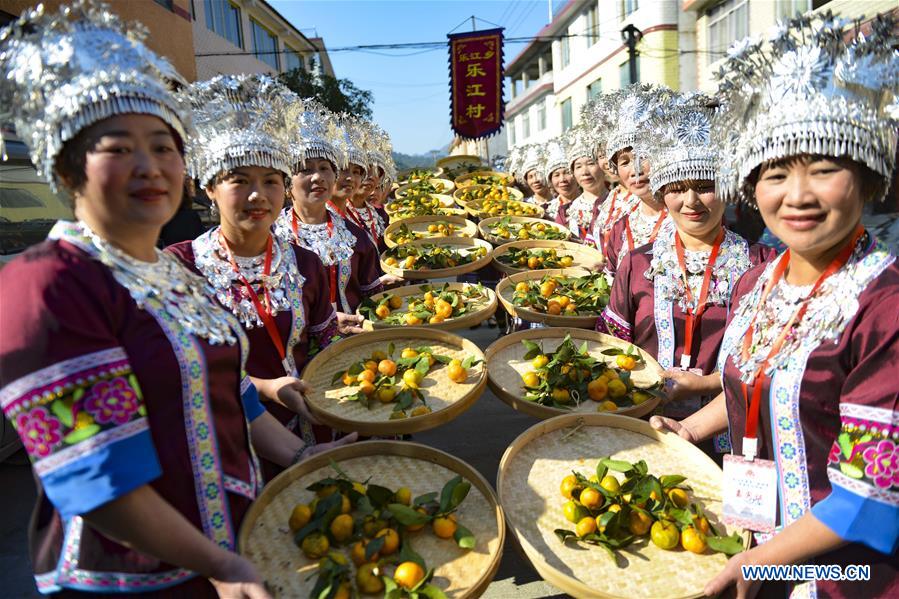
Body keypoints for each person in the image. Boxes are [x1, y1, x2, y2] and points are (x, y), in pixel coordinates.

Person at [0, 4, 351, 596]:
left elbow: (237, 396)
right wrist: (224, 565)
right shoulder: (47, 286)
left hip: (227, 545)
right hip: (132, 574)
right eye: (119, 147)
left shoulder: (172, 275)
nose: (150, 166)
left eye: (164, 146)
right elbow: (98, 482)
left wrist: (304, 463)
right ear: (66, 170)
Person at [651, 13, 898, 597]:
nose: (798, 196)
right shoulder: (766, 280)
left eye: (825, 169)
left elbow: (873, 497)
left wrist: (766, 564)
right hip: (754, 541)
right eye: (776, 173)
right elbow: (749, 390)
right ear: (752, 188)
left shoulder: (883, 306)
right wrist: (688, 432)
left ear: (865, 179)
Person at [165, 75, 338, 454]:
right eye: (239, 181)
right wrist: (265, 387)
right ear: (210, 187)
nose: (258, 195)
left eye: (271, 180)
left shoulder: (305, 263)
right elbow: (187, 375)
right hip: (226, 442)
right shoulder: (180, 268)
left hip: (311, 427)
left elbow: (325, 344)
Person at [598, 93, 772, 455]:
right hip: (646, 428)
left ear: (728, 189)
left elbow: (769, 367)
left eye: (705, 187)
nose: (691, 202)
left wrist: (705, 383)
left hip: (735, 441)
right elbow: (612, 348)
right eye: (677, 189)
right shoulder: (637, 264)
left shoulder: (763, 265)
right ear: (662, 194)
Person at [274, 101, 385, 333]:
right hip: (296, 353)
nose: (318, 177)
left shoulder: (355, 236)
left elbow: (372, 296)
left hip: (353, 345)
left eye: (325, 168)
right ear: (286, 184)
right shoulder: (272, 238)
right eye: (305, 169)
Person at [600, 85, 674, 275]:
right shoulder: (621, 227)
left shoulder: (690, 215)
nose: (636, 170)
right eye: (625, 162)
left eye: (644, 157)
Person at [563, 125, 608, 244]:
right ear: (573, 173)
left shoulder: (618, 204)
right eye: (578, 166)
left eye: (591, 163)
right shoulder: (566, 212)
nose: (585, 172)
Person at [543, 137, 581, 224]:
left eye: (567, 173)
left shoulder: (594, 205)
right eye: (556, 175)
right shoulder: (546, 211)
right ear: (551, 181)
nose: (562, 179)